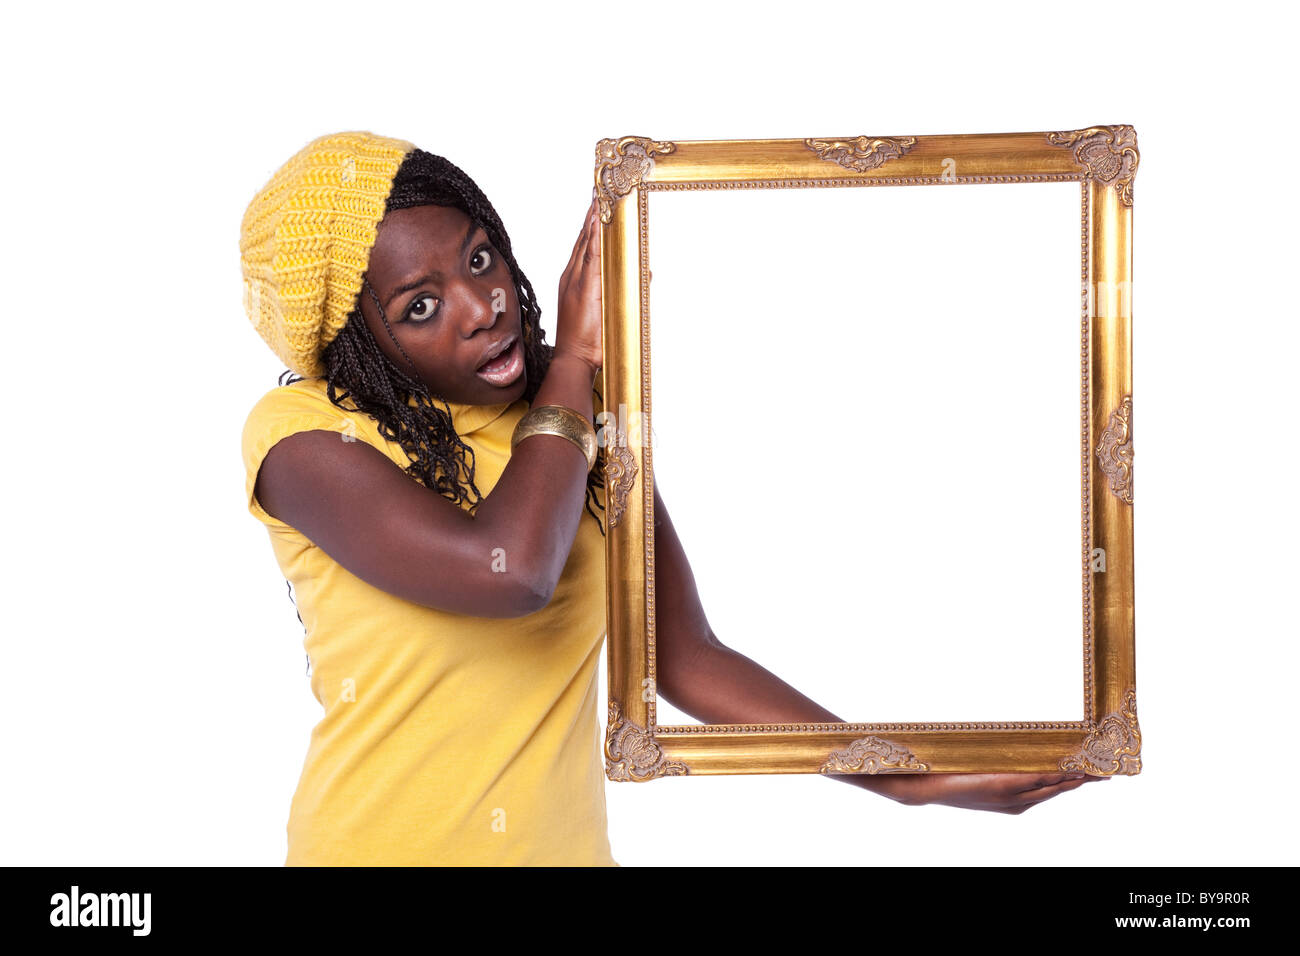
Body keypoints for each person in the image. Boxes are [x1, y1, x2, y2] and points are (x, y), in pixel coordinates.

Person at [239, 131, 1101, 867]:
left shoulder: (569, 419)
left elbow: (682, 656)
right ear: (355, 344)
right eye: (421, 305)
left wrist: (913, 779)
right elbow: (507, 571)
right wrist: (573, 365)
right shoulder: (304, 438)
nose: (483, 306)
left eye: (479, 257)